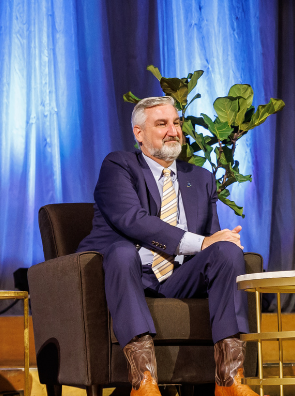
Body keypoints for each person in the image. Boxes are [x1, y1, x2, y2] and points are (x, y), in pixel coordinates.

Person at [76, 96, 258, 396]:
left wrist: (223, 242)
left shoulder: (200, 178)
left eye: (176, 123)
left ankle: (229, 380)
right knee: (122, 252)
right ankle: (143, 382)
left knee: (227, 251)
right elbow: (132, 220)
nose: (173, 130)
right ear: (139, 133)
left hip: (178, 278)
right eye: (161, 124)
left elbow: (211, 245)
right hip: (129, 274)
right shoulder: (119, 165)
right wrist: (202, 242)